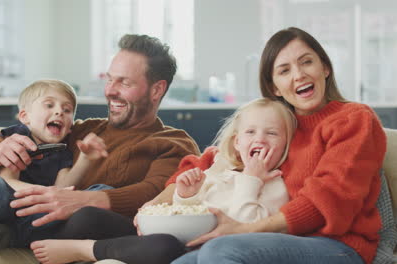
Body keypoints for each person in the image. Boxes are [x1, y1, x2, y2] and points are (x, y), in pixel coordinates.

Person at [0, 34, 199, 261]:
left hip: (118, 233)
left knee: (96, 220)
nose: (110, 91)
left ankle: (77, 247)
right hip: (49, 230)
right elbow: (7, 131)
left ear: (156, 89)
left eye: (124, 82)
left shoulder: (174, 143)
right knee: (82, 217)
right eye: (109, 79)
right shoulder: (81, 131)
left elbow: (155, 193)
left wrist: (84, 200)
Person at [168, 27, 387, 264]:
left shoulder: (353, 119)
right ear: (274, 87)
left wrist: (244, 230)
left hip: (339, 246)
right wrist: (161, 197)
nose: (299, 75)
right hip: (281, 240)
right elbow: (214, 159)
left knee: (220, 250)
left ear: (325, 68)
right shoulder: (280, 126)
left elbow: (329, 198)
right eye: (284, 70)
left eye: (306, 62)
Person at [24, 98, 297, 264]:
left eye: (271, 133)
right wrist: (186, 195)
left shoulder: (275, 186)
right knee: (88, 217)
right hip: (172, 231)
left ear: (287, 144)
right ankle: (47, 245)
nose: (259, 139)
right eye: (251, 132)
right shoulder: (220, 169)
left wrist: (251, 181)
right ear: (238, 142)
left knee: (161, 247)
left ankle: (83, 251)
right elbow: (192, 210)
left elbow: (248, 228)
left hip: (185, 247)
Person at [0, 79, 109, 264]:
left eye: (67, 110)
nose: (59, 111)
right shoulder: (17, 139)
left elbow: (64, 186)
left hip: (40, 216)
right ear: (25, 116)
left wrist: (85, 159)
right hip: (11, 206)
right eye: (49, 105)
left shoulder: (63, 149)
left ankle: (11, 235)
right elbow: (8, 181)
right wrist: (47, 195)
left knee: (103, 191)